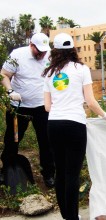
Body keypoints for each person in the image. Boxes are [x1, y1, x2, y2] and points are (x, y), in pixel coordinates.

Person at [42, 33, 106, 220]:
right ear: (73, 49)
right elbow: (90, 101)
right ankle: (73, 217)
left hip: (53, 125)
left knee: (60, 172)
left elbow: (47, 107)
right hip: (75, 124)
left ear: (55, 51)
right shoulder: (81, 69)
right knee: (72, 173)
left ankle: (65, 215)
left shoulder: (49, 73)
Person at [0, 33, 55, 188]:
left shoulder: (49, 56)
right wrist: (10, 92)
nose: (42, 54)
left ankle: (49, 173)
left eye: (44, 51)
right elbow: (4, 75)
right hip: (19, 108)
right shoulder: (17, 55)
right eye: (39, 51)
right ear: (31, 45)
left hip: (42, 107)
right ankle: (7, 170)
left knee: (46, 141)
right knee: (13, 139)